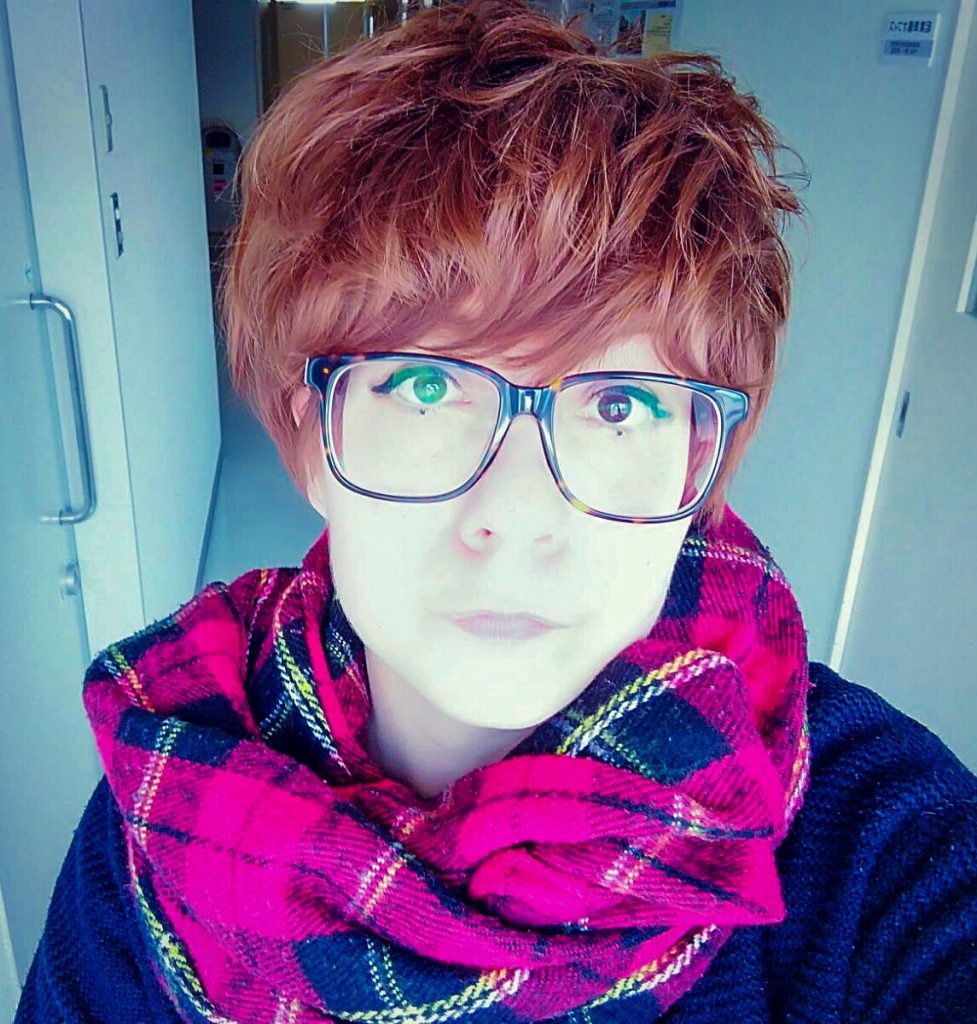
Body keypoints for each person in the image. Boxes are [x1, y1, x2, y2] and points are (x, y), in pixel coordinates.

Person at [15, 1, 977, 1021]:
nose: (519, 515)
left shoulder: (879, 847)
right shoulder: (167, 792)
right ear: (313, 438)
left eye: (619, 404)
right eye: (427, 386)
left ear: (697, 459)